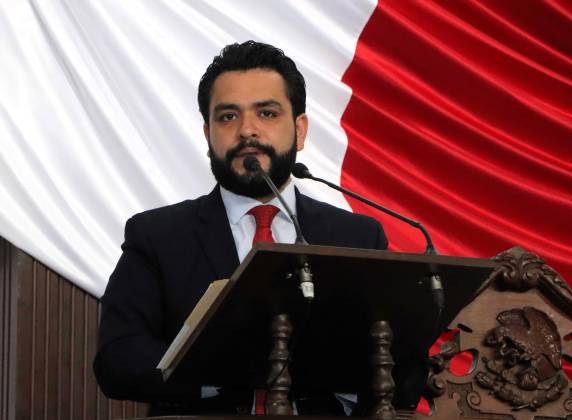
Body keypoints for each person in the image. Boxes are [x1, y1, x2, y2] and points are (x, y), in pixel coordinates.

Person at [94, 41, 424, 416]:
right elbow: (118, 359)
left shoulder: (356, 238)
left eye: (267, 113)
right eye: (227, 117)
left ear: (300, 130)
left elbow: (402, 362)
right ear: (208, 136)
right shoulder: (157, 236)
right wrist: (231, 368)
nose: (247, 131)